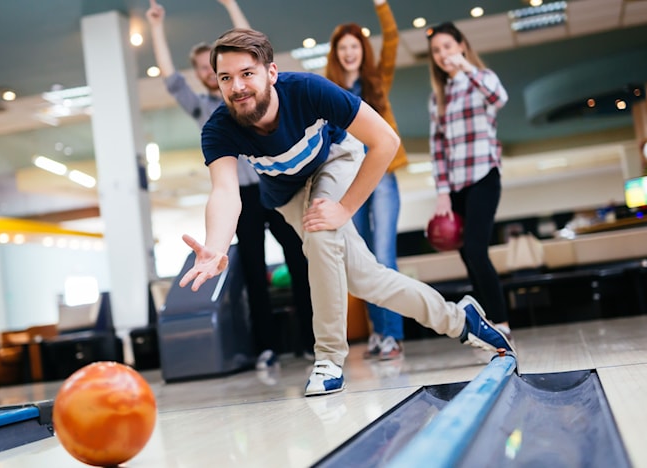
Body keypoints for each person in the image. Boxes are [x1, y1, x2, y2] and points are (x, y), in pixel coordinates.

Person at [179, 28, 515, 397]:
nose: (237, 86)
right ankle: (460, 320)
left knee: (321, 233)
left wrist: (345, 208)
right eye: (226, 78)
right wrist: (216, 246)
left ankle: (328, 359)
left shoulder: (308, 90)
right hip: (288, 194)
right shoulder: (219, 127)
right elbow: (226, 192)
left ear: (271, 73)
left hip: (335, 160)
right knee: (367, 280)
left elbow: (386, 140)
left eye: (247, 74)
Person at [145, 0, 314, 370]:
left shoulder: (251, 91)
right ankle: (267, 347)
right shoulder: (204, 108)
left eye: (216, 66)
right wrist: (156, 27)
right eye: (206, 69)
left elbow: (252, 46)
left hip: (275, 187)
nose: (212, 73)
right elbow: (170, 79)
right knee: (253, 271)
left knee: (299, 261)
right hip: (240, 198)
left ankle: (310, 341)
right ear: (205, 76)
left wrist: (231, 5)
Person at [324, 0, 406, 361]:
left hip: (383, 175)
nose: (349, 53)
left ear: (362, 50)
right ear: (336, 54)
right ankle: (378, 333)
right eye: (343, 48)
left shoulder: (377, 80)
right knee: (363, 259)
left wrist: (382, 6)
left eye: (354, 46)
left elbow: (392, 38)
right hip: (350, 181)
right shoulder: (329, 90)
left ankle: (393, 335)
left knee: (385, 254)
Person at [425, 22, 512, 339]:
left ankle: (501, 323)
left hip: (484, 175)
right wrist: (442, 193)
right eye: (436, 51)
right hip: (456, 185)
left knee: (476, 249)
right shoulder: (438, 98)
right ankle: (487, 326)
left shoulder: (482, 78)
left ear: (461, 46)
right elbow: (438, 148)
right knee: (467, 255)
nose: (442, 54)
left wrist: (466, 67)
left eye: (448, 46)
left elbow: (498, 98)